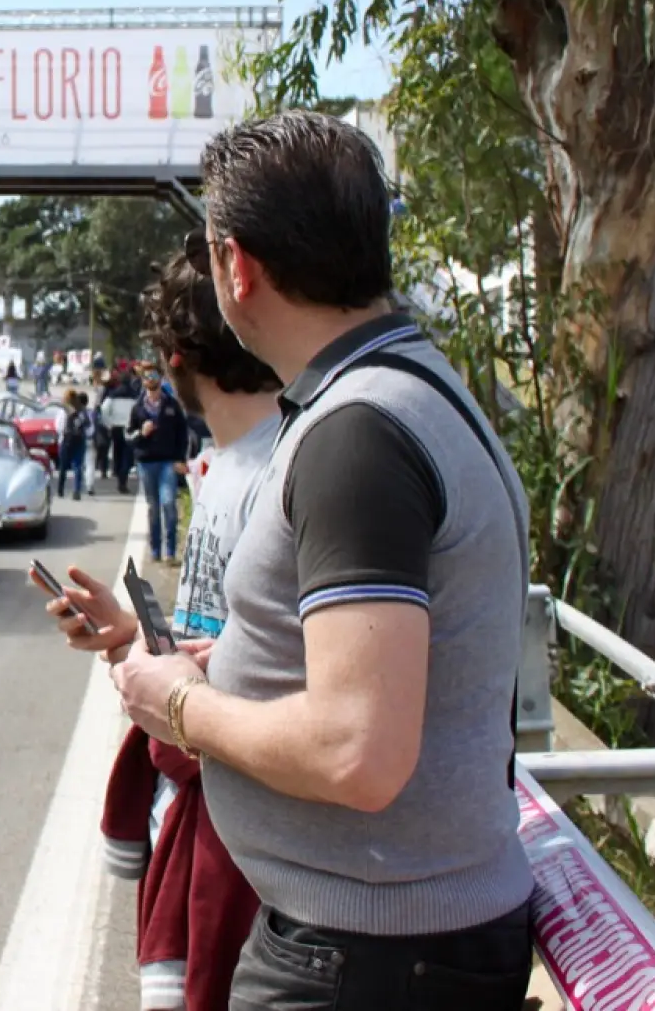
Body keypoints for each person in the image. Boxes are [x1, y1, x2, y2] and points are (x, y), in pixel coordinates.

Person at [109, 111, 535, 1010]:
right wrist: (218, 669)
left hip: (362, 958)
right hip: (381, 941)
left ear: (239, 268)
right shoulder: (402, 391)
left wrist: (178, 704)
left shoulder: (357, 435)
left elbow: (357, 752)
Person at [50, 231, 284, 1011]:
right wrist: (130, 632)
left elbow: (279, 675)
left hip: (245, 831)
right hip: (201, 791)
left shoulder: (283, 470)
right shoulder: (224, 466)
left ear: (177, 355)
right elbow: (224, 640)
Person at [131, 368, 190, 565]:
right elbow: (129, 436)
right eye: (147, 376)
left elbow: (183, 434)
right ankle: (155, 548)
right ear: (143, 380)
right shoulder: (138, 408)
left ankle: (170, 551)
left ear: (161, 379)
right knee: (153, 508)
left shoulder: (172, 405)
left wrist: (181, 459)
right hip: (147, 463)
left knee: (168, 504)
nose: (151, 379)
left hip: (168, 462)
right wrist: (141, 433)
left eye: (154, 376)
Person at [57, 392, 93, 501]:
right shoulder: (83, 411)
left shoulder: (65, 410)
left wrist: (62, 434)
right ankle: (76, 490)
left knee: (63, 467)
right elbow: (89, 427)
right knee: (78, 466)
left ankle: (60, 489)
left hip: (66, 440)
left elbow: (58, 425)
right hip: (80, 441)